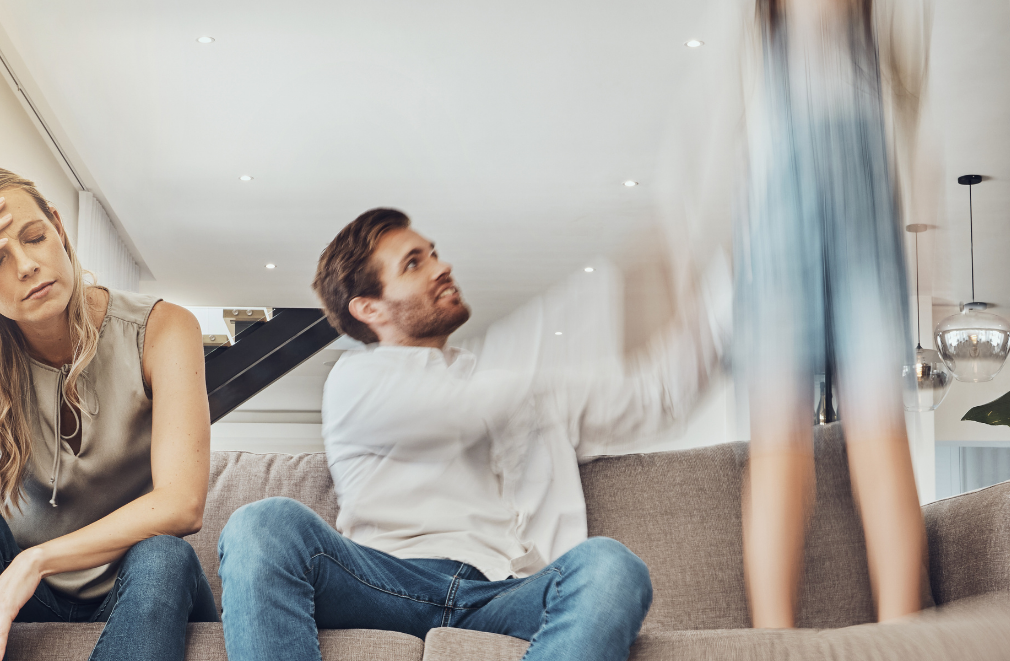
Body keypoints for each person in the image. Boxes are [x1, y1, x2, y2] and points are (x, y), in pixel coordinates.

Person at [217, 208, 731, 661]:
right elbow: (459, 411)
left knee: (611, 566)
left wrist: (722, 287)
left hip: (506, 593)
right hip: (388, 584)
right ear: (369, 308)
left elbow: (659, 398)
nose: (442, 267)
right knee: (263, 524)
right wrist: (593, 305)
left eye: (434, 253)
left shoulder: (512, 386)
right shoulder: (358, 380)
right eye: (414, 263)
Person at [0, 165, 216, 661]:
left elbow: (182, 504)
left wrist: (35, 562)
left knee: (166, 555)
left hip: (136, 587)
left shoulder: (163, 330)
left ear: (58, 227)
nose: (27, 265)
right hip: (32, 600)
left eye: (34, 237)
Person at [736, 0, 929, 628]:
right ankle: (772, 638)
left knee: (880, 430)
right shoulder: (752, 36)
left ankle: (902, 629)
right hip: (775, 249)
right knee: (780, 440)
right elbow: (707, 157)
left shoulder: (887, 29)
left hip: (869, 247)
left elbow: (912, 139)